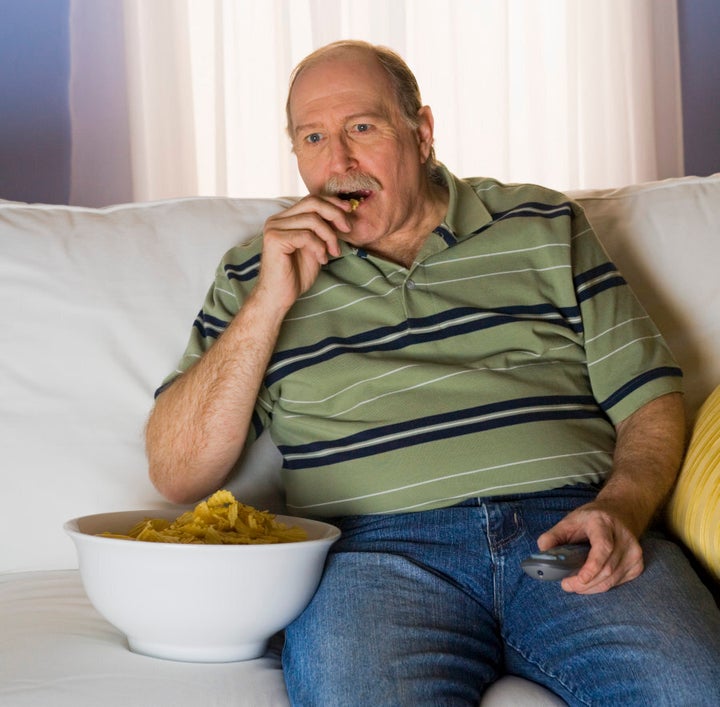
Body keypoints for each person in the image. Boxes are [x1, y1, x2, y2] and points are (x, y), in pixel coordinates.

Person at [146, 40, 720, 705]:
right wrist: (271, 301)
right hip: (375, 557)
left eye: (362, 127)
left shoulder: (542, 223)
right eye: (312, 137)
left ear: (421, 133)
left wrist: (620, 507)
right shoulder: (257, 271)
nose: (338, 162)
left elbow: (649, 397)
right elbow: (176, 472)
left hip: (569, 528)